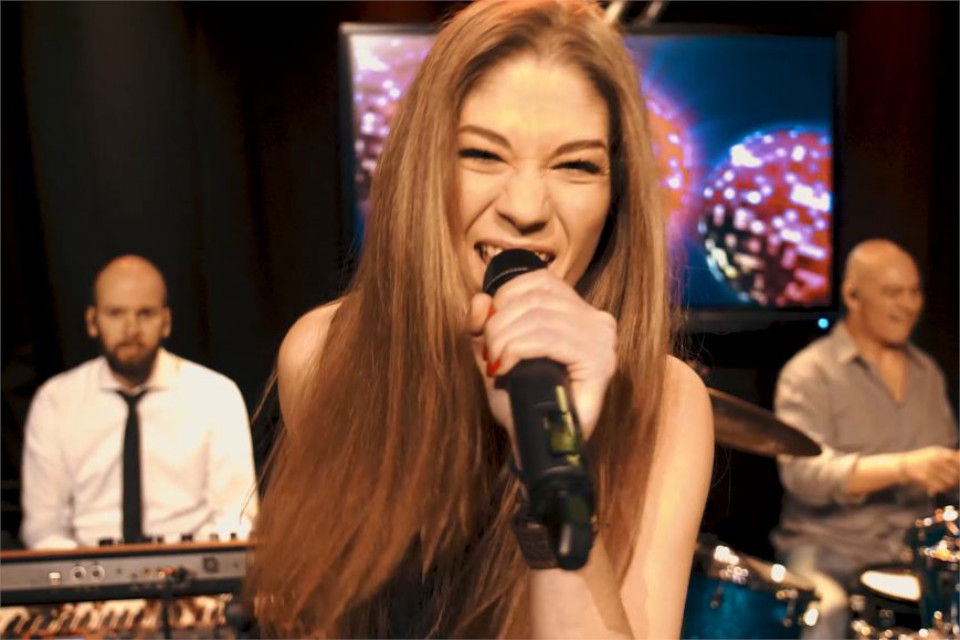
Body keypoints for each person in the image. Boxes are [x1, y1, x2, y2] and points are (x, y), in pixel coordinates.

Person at [247, 1, 714, 638]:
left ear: (618, 197)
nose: (526, 208)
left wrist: (554, 455)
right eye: (482, 155)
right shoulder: (325, 353)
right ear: (423, 169)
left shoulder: (665, 403)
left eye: (576, 165)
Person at [771, 239, 960, 639]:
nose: (909, 305)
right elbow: (803, 476)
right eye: (893, 292)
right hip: (829, 552)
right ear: (852, 296)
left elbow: (947, 476)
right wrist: (905, 467)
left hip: (913, 556)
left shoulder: (928, 373)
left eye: (914, 291)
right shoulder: (809, 373)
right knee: (823, 615)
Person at [21, 255, 259, 549]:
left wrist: (187, 566)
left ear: (166, 322)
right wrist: (89, 573)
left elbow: (236, 515)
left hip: (191, 567)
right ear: (92, 321)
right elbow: (43, 527)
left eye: (145, 313)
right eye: (116, 313)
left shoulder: (216, 395)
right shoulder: (56, 401)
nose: (131, 329)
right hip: (85, 568)